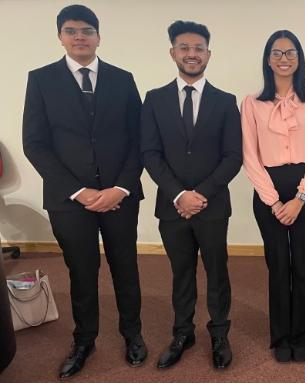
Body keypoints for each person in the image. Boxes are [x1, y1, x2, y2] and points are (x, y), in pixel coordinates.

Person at [22, 4, 146, 379]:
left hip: (119, 196)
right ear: (60, 36)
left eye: (87, 31)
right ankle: (84, 340)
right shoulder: (41, 79)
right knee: (81, 270)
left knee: (126, 267)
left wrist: (120, 187)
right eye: (72, 31)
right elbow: (35, 144)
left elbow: (140, 139)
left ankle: (133, 335)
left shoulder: (122, 79)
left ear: (98, 37)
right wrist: (79, 191)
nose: (80, 37)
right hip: (68, 200)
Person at [141, 20, 241, 370]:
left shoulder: (226, 102)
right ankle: (183, 333)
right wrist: (178, 195)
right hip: (172, 209)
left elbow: (234, 156)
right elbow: (149, 153)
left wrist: (200, 194)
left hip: (212, 207)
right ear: (173, 52)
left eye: (199, 48)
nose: (192, 54)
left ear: (208, 54)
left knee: (217, 272)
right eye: (184, 47)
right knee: (180, 273)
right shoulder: (153, 100)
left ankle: (219, 333)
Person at [241, 30, 305, 363]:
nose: (284, 58)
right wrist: (274, 201)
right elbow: (250, 155)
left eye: (290, 52)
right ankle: (281, 335)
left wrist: (301, 198)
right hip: (268, 190)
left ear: (299, 57)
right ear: (268, 59)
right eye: (277, 53)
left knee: (303, 263)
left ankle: (304, 334)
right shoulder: (251, 102)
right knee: (277, 264)